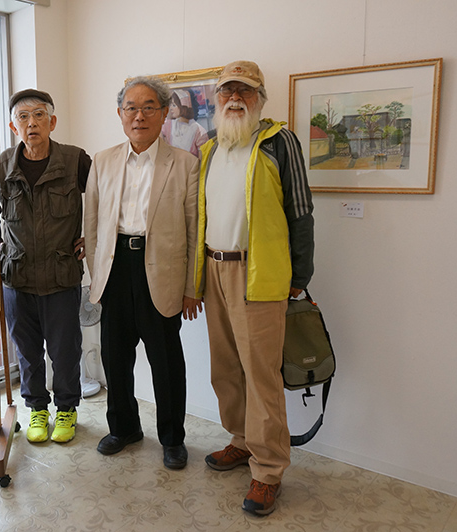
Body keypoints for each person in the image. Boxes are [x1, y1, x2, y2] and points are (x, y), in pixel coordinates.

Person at [193, 61, 315, 516]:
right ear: (217, 99)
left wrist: (299, 277)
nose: (234, 98)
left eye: (244, 90)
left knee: (262, 377)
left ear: (260, 98)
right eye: (227, 91)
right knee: (225, 368)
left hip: (259, 273)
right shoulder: (210, 147)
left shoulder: (280, 142)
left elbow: (300, 212)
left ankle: (267, 471)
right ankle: (241, 441)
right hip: (214, 270)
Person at [84, 76, 201, 470]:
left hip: (162, 273)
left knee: (166, 362)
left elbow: (194, 230)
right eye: (131, 108)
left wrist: (192, 287)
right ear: (120, 114)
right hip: (114, 268)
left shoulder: (185, 164)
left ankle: (172, 438)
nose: (139, 116)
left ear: (164, 113)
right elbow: (92, 224)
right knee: (115, 358)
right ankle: (124, 428)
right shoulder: (102, 161)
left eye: (149, 107)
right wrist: (97, 275)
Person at [0, 89, 91, 444]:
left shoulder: (74, 160)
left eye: (39, 115)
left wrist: (94, 237)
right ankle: (37, 409)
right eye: (23, 117)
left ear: (52, 122)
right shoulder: (2, 166)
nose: (31, 123)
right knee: (27, 352)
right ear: (14, 127)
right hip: (17, 277)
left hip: (61, 275)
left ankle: (66, 409)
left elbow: (107, 198)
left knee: (65, 351)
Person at [161, 89, 209, 157]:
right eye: (170, 105)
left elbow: (203, 158)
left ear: (183, 107)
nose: (171, 108)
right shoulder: (168, 125)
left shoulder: (199, 131)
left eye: (174, 105)